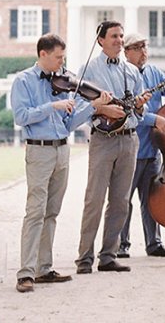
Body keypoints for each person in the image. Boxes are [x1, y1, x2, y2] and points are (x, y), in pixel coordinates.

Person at [12, 33, 112, 293]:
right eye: (58, 57)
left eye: (63, 58)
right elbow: (21, 116)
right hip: (39, 152)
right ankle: (25, 273)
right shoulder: (23, 80)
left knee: (52, 212)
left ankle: (44, 268)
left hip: (61, 150)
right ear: (43, 54)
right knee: (35, 211)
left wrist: (93, 106)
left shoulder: (62, 83)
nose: (62, 63)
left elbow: (68, 124)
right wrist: (52, 105)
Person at [75, 20, 150, 274]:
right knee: (94, 200)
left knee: (120, 201)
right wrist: (101, 108)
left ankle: (108, 256)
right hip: (102, 141)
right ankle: (84, 258)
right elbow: (78, 106)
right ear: (100, 40)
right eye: (114, 36)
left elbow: (140, 112)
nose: (119, 40)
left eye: (120, 36)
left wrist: (139, 106)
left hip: (129, 140)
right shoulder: (88, 69)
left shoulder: (131, 71)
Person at [118, 32, 165, 258]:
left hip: (153, 150)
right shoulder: (122, 75)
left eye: (144, 47)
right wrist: (154, 119)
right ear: (126, 52)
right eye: (136, 48)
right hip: (131, 149)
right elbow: (128, 111)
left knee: (152, 201)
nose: (143, 52)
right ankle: (121, 245)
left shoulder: (155, 72)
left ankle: (154, 244)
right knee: (124, 202)